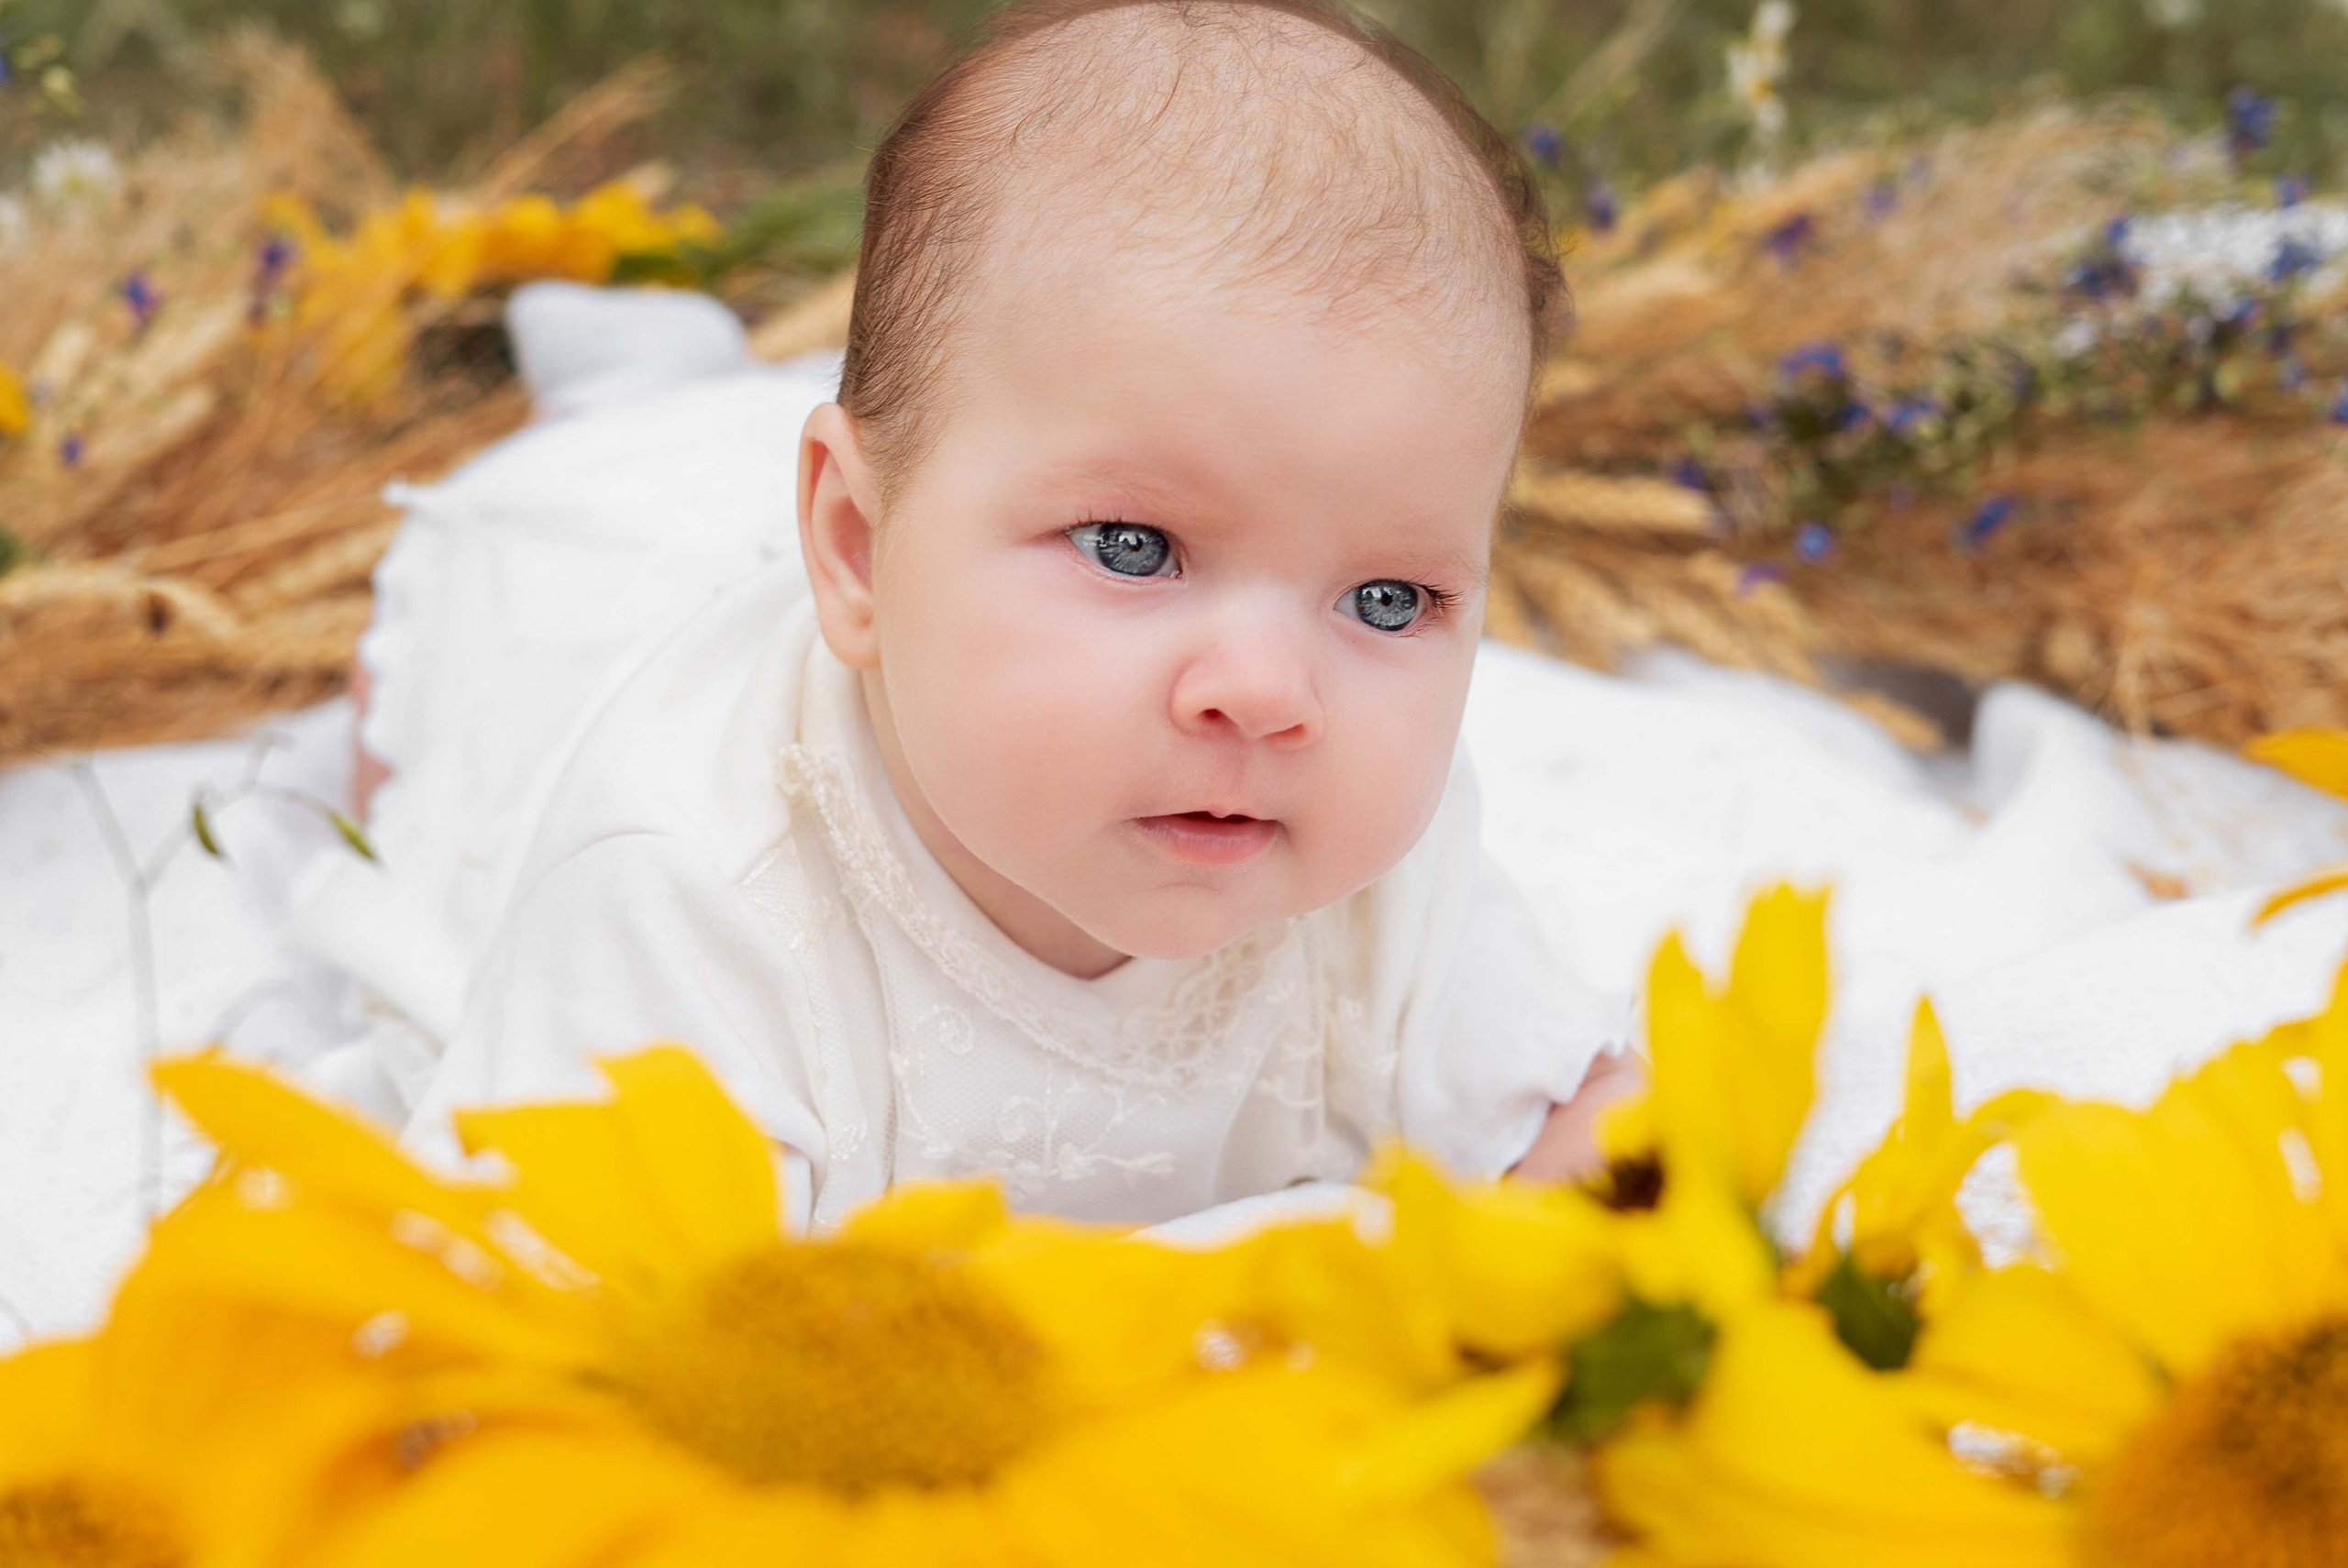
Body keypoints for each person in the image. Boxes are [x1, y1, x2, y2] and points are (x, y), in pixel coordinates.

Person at [326, 0, 1638, 1232]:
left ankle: (683, 376)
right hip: (595, 605)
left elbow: (1596, 1137)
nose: (1267, 685)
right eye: (1135, 548)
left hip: (878, 521)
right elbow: (543, 1327)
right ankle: (623, 385)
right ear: (852, 548)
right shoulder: (691, 890)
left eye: (1388, 598)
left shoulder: (1360, 847)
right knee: (454, 711)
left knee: (942, 429)